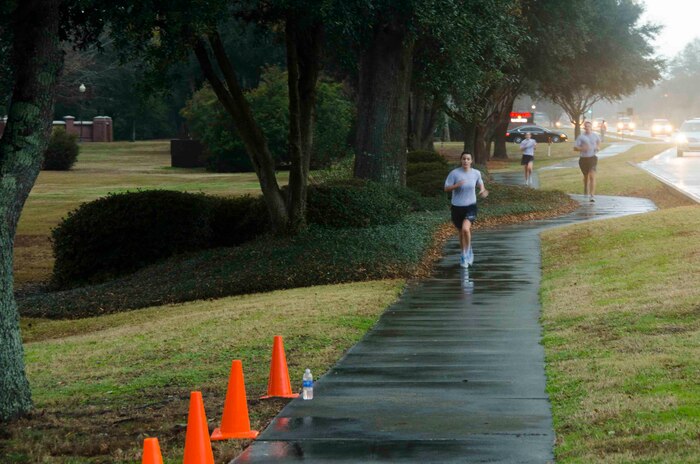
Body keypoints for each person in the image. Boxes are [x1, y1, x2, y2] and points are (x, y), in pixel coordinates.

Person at [444, 152, 489, 268]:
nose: (465, 161)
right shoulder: (454, 173)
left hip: (471, 206)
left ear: (471, 161)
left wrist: (482, 190)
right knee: (460, 232)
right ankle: (463, 253)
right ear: (461, 160)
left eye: (468, 159)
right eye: (463, 159)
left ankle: (468, 251)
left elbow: (480, 183)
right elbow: (446, 188)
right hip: (457, 207)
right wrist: (456, 185)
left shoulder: (476, 173)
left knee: (465, 229)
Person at [574, 120, 601, 202]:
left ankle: (592, 195)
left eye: (589, 126)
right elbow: (575, 148)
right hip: (583, 159)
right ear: (584, 127)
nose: (587, 128)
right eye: (586, 126)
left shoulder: (595, 136)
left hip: (592, 158)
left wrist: (597, 147)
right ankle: (586, 186)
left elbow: (598, 142)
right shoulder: (581, 137)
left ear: (591, 127)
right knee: (586, 176)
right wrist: (582, 148)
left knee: (592, 176)